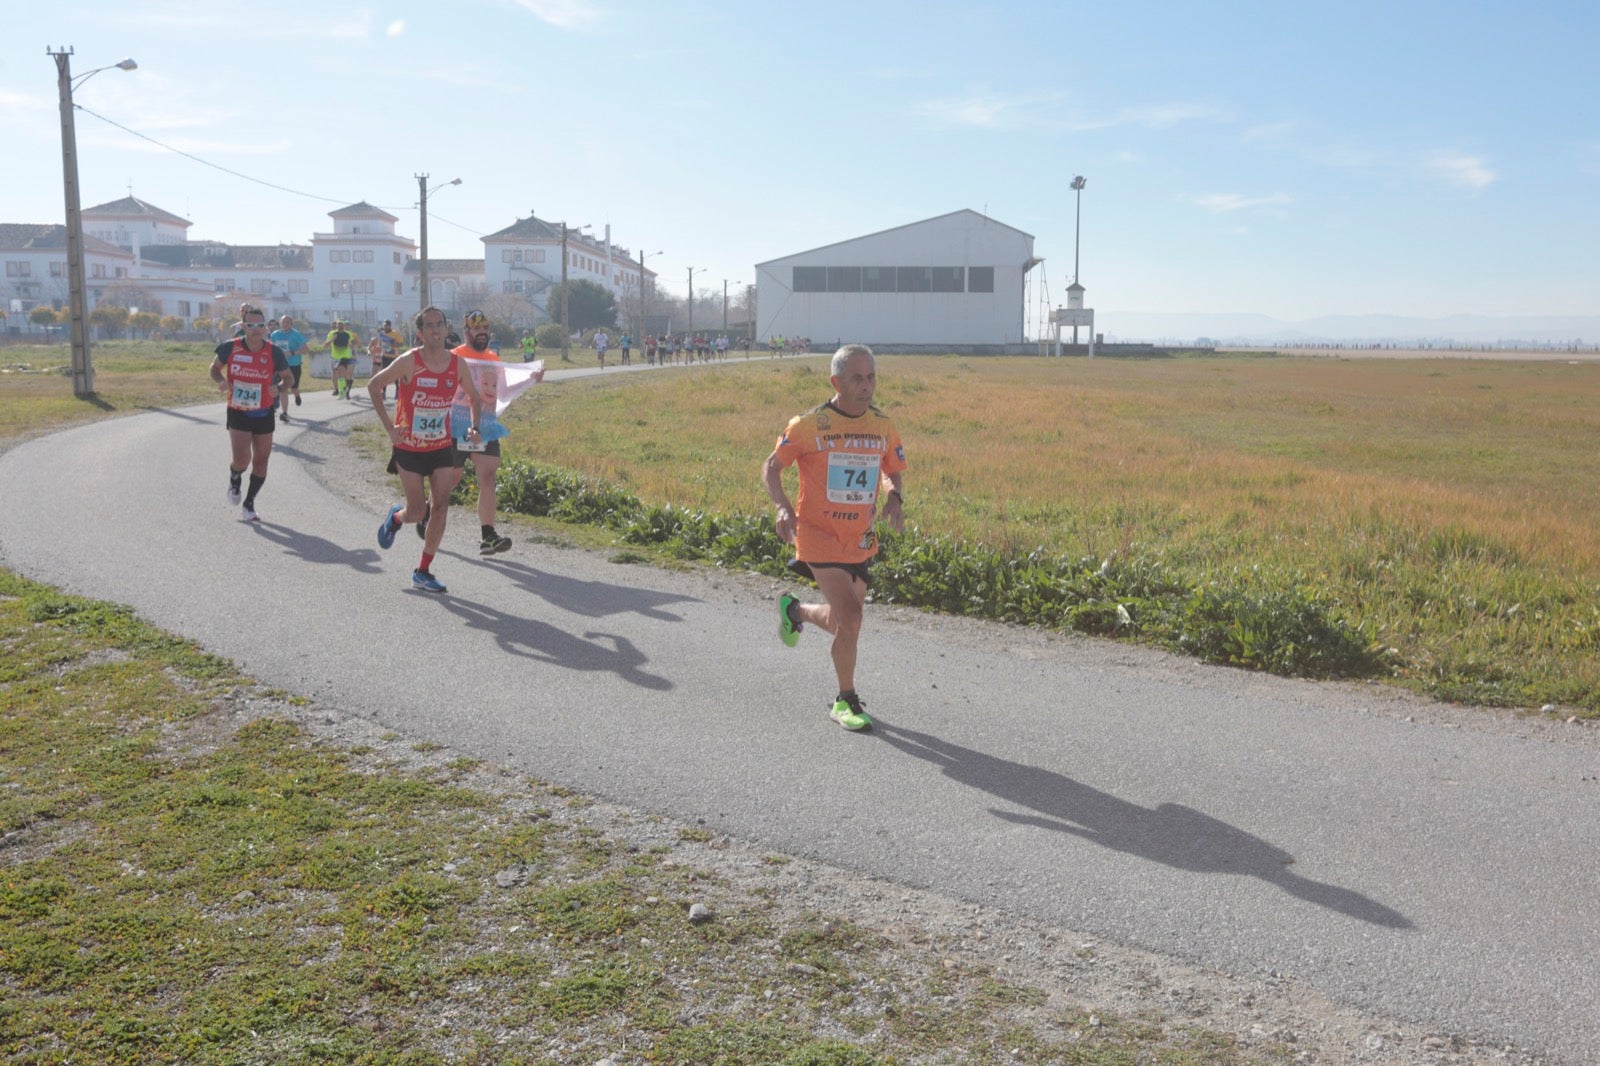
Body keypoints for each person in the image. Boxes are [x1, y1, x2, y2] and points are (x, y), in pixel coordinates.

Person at [762, 343, 906, 731]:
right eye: (857, 378)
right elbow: (771, 468)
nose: (866, 385)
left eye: (871, 377)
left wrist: (894, 496)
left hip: (859, 538)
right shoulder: (808, 425)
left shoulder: (882, 425)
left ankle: (795, 611)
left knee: (847, 623)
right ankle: (846, 700)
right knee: (853, 617)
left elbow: (891, 468)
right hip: (817, 535)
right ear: (836, 381)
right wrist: (782, 507)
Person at [367, 306, 485, 593]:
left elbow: (475, 398)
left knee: (441, 506)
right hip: (408, 447)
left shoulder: (457, 364)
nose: (435, 330)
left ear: (446, 330)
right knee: (418, 512)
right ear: (420, 333)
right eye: (429, 325)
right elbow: (374, 386)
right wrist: (390, 430)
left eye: (439, 324)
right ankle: (397, 517)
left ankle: (423, 570)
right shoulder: (410, 361)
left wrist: (474, 428)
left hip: (441, 445)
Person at [448, 308, 523, 556]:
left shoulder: (493, 358)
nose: (482, 333)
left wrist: (531, 377)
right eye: (476, 329)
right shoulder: (455, 356)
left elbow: (504, 387)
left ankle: (488, 536)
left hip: (487, 427)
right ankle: (427, 515)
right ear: (466, 332)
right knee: (451, 481)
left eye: (485, 329)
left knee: (488, 479)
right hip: (458, 425)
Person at [210, 303, 293, 523]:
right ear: (244, 326)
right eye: (251, 325)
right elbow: (214, 368)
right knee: (242, 459)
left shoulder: (274, 351)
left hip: (264, 412)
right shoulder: (230, 347)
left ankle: (249, 504)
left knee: (261, 461)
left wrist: (281, 387)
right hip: (238, 411)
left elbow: (289, 377)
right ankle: (235, 477)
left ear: (265, 327)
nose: (256, 329)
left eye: (260, 325)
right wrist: (221, 381)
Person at [269, 314, 308, 420]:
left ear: (291, 324)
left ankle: (297, 395)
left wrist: (292, 352)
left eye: (287, 322)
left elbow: (305, 349)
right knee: (283, 389)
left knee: (294, 387)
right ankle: (284, 412)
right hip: (279, 366)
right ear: (280, 323)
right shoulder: (274, 335)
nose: (285, 324)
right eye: (283, 322)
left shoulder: (296, 334)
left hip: (293, 365)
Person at [326, 319, 358, 398]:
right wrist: (332, 340)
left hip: (345, 357)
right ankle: (338, 389)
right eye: (338, 324)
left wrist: (351, 345)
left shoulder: (349, 334)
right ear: (336, 325)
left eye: (342, 324)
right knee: (337, 374)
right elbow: (325, 345)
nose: (340, 326)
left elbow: (352, 345)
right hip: (335, 357)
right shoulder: (332, 333)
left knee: (343, 374)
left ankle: (343, 392)